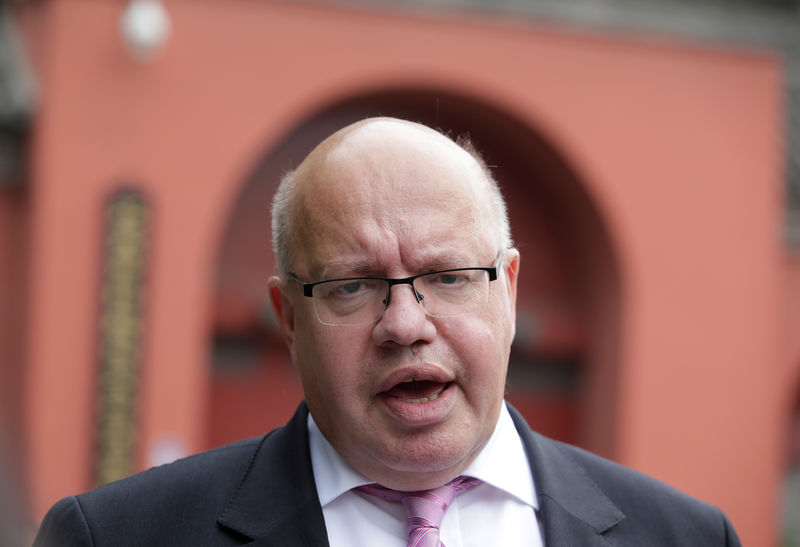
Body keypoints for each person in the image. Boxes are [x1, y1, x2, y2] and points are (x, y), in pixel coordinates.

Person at [34, 117, 741, 546]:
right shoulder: (120, 536)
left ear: (510, 289)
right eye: (351, 285)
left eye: (449, 276)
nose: (405, 325)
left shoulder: (685, 536)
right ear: (289, 318)